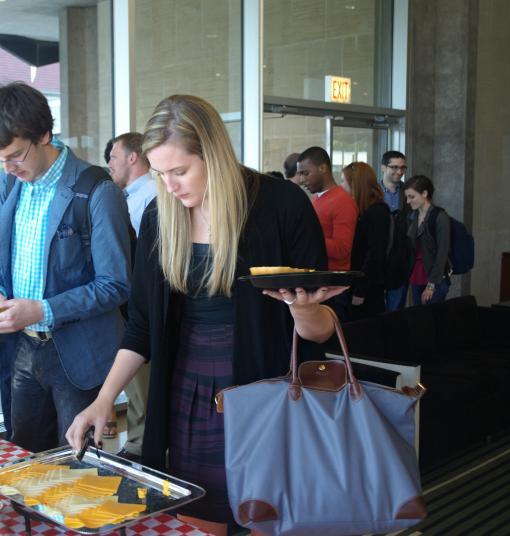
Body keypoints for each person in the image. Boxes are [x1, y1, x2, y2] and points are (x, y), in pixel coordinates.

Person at [66, 95, 343, 535]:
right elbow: (142, 325)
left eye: (180, 171)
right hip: (185, 396)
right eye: (160, 174)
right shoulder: (161, 216)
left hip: (265, 396)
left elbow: (322, 332)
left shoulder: (281, 205)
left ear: (212, 153)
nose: (171, 186)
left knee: (265, 517)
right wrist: (103, 400)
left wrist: (303, 308)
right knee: (196, 519)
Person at [0, 82, 131, 453]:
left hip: (78, 357)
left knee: (79, 471)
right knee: (26, 462)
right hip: (24, 351)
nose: (9, 168)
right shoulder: (10, 185)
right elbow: (3, 264)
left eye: (15, 155)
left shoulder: (96, 190)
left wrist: (42, 309)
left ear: (45, 133)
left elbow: (116, 284)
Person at [106, 131, 157, 459]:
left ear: (132, 157)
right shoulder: (128, 197)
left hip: (142, 305)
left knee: (142, 387)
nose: (109, 164)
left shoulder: (151, 196)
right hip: (129, 306)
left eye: (113, 156)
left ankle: (140, 448)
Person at [297, 146, 357, 320]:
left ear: (323, 168)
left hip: (333, 286)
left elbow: (342, 249)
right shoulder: (317, 199)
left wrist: (307, 239)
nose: (302, 180)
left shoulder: (342, 201)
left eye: (306, 173)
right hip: (317, 282)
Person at [341, 162, 389, 319]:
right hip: (360, 282)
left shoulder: (377, 211)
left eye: (343, 181)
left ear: (356, 184)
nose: (341, 186)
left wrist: (361, 290)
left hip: (368, 287)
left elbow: (375, 254)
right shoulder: (363, 209)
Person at [403, 175, 451, 304]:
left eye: (411, 197)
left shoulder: (440, 217)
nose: (407, 201)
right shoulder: (413, 216)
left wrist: (432, 285)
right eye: (407, 197)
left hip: (434, 278)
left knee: (431, 319)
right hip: (416, 275)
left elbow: (442, 253)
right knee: (419, 319)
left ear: (424, 193)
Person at [380, 150, 410, 310]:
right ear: (383, 167)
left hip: (400, 261)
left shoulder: (410, 193)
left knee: (396, 309)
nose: (399, 171)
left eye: (403, 167)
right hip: (378, 258)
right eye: (394, 167)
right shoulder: (372, 193)